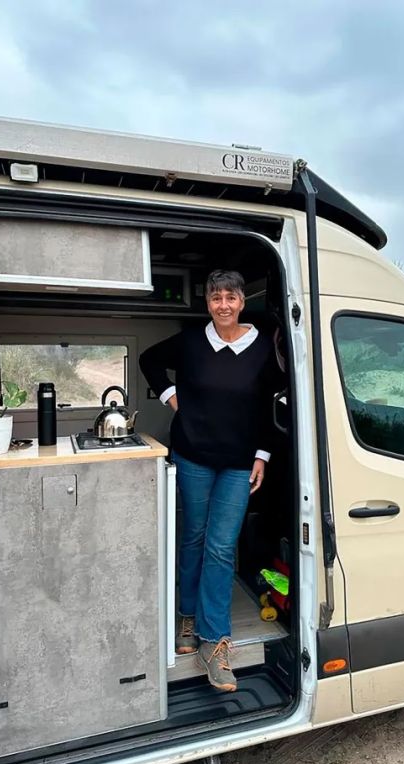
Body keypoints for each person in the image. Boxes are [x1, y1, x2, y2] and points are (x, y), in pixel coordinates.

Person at [139, 269, 281, 692]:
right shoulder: (190, 341)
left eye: (230, 298)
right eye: (215, 297)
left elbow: (272, 403)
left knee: (221, 548)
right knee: (194, 537)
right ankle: (188, 615)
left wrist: (262, 455)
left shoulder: (261, 346)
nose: (223, 305)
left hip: (239, 463)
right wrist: (172, 399)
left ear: (241, 302)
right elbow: (148, 361)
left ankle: (214, 641)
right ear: (208, 302)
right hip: (194, 455)